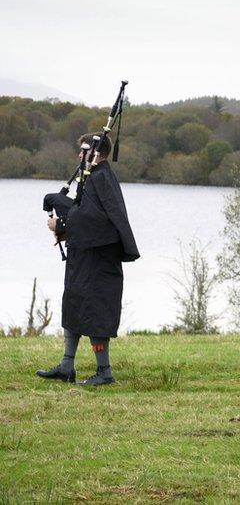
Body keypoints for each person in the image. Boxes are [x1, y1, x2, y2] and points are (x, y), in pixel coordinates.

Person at [36, 132, 140, 386]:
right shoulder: (93, 177)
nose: (78, 156)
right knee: (73, 305)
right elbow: (85, 213)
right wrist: (64, 227)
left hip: (99, 260)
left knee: (96, 313)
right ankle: (66, 366)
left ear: (92, 152)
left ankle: (104, 372)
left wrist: (61, 221)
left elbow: (97, 220)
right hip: (84, 257)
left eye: (81, 151)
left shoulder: (102, 178)